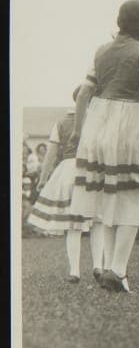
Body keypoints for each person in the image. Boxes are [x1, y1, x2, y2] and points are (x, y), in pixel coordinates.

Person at [68, 0, 139, 293]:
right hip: (130, 122)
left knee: (109, 197)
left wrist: (79, 130)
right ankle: (118, 269)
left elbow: (84, 94)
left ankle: (114, 271)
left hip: (98, 123)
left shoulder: (101, 50)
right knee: (135, 195)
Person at [28, 88, 99, 282]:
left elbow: (51, 154)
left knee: (72, 224)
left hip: (68, 169)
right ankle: (98, 266)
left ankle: (74, 271)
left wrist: (43, 180)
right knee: (97, 221)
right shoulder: (97, 120)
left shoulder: (61, 122)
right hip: (92, 169)